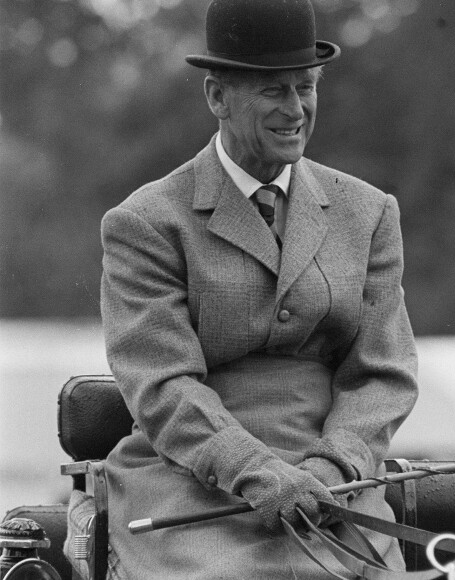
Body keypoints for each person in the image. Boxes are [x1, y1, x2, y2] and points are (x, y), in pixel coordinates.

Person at [65, 0, 418, 578]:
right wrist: (258, 473)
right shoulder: (146, 222)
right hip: (189, 485)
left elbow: (383, 371)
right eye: (272, 91)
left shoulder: (368, 212)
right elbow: (163, 385)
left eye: (305, 87)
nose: (295, 109)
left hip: (335, 489)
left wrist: (339, 464)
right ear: (216, 97)